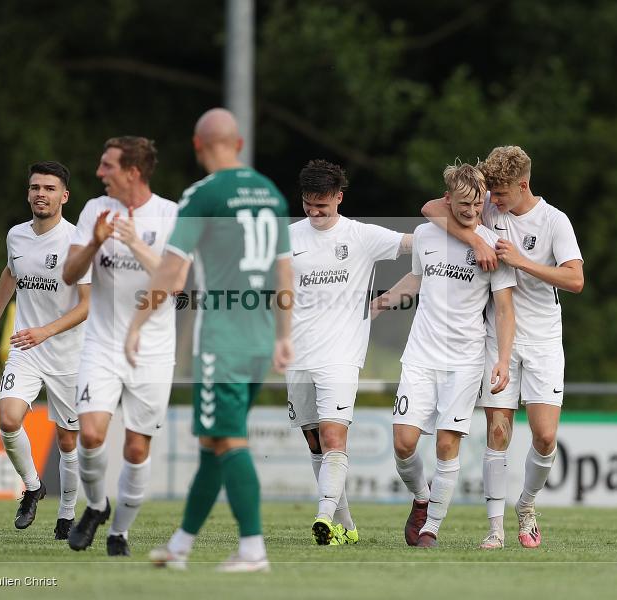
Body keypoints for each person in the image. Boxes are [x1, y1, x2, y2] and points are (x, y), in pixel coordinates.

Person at [125, 108, 293, 573]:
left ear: (198, 147)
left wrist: (136, 324)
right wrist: (284, 335)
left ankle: (253, 550)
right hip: (259, 339)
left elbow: (171, 270)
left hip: (222, 339)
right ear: (238, 144)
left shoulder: (203, 194)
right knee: (213, 443)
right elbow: (284, 270)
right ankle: (180, 545)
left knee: (229, 440)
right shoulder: (271, 193)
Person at [421, 146, 583, 549]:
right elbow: (430, 208)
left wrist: (522, 261)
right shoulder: (491, 208)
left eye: (500, 191)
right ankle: (495, 529)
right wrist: (473, 241)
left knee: (545, 438)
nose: (492, 198)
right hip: (497, 337)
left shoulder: (554, 221)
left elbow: (576, 280)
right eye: (489, 190)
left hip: (544, 339)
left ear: (523, 185)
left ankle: (526, 506)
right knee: (497, 431)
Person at [373, 161, 516, 548]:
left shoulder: (494, 244)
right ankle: (422, 498)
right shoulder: (426, 234)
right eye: (463, 205)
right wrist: (380, 303)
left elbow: (504, 309)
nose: (471, 213)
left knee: (445, 444)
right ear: (448, 199)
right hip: (421, 356)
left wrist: (502, 360)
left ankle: (431, 528)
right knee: (403, 443)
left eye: (477, 205)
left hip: (466, 361)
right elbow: (418, 278)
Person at [61, 137, 178, 557]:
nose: (99, 173)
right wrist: (94, 242)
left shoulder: (169, 215)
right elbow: (71, 276)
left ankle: (119, 534)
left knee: (135, 447)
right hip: (102, 344)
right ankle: (96, 507)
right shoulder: (95, 208)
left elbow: (176, 282)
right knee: (90, 434)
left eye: (107, 166)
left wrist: (133, 242)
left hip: (154, 350)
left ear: (132, 172)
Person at [287, 159, 411, 545]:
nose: (315, 212)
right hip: (297, 355)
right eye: (308, 204)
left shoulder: (362, 235)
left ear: (339, 198)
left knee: (333, 437)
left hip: (341, 355)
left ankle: (323, 517)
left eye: (322, 205)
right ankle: (347, 526)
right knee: (315, 442)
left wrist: (461, 222)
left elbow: (416, 243)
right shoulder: (287, 238)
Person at [0, 161, 90, 537]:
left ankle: (65, 515)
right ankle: (32, 486)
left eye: (48, 188)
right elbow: (10, 273)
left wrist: (47, 331)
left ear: (64, 196)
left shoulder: (78, 242)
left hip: (69, 355)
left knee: (67, 440)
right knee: (9, 418)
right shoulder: (16, 235)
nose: (40, 194)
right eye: (34, 188)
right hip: (27, 348)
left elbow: (88, 305)